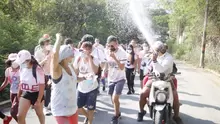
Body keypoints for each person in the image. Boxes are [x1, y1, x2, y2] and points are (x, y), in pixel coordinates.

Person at [137, 41, 183, 124]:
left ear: (160, 51)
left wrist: (154, 60)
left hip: (167, 79)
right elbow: (146, 67)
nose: (154, 52)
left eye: (156, 50)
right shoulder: (153, 56)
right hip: (154, 79)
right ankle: (141, 111)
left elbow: (162, 69)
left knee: (175, 96)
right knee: (143, 93)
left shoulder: (168, 57)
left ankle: (176, 116)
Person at [50, 33, 78, 124]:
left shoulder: (70, 66)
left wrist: (85, 78)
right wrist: (58, 39)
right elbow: (54, 55)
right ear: (65, 56)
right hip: (60, 109)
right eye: (71, 54)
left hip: (73, 108)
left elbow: (74, 79)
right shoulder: (57, 70)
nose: (73, 56)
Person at [15, 50, 45, 124]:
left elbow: (42, 85)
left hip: (37, 94)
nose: (20, 64)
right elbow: (21, 82)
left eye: (22, 62)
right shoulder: (22, 68)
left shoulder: (37, 69)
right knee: (20, 116)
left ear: (28, 60)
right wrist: (18, 94)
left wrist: (38, 100)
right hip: (26, 93)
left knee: (39, 114)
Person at [103, 35, 127, 124]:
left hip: (120, 78)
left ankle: (115, 117)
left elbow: (121, 67)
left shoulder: (122, 53)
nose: (110, 47)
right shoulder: (106, 51)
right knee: (113, 99)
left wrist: (115, 58)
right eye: (109, 46)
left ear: (117, 44)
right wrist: (104, 71)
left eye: (112, 46)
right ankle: (118, 112)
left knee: (115, 98)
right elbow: (106, 62)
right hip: (111, 78)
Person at [74, 42, 99, 124]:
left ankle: (90, 121)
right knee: (78, 106)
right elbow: (75, 71)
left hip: (92, 87)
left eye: (88, 50)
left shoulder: (94, 59)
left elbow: (95, 71)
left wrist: (89, 58)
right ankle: (88, 117)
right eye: (83, 49)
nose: (85, 52)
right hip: (81, 87)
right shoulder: (78, 59)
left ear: (90, 50)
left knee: (90, 109)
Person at [34, 35, 53, 115]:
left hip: (52, 73)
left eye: (48, 43)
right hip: (43, 74)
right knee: (46, 90)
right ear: (42, 45)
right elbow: (37, 65)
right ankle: (45, 107)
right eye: (46, 44)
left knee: (53, 90)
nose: (48, 45)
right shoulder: (38, 52)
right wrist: (45, 60)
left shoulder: (52, 51)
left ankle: (49, 105)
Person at [0, 53, 20, 122]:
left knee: (13, 112)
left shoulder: (22, 69)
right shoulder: (8, 70)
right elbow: (6, 82)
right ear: (9, 62)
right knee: (16, 112)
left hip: (21, 93)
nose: (14, 62)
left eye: (15, 60)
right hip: (12, 93)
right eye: (12, 60)